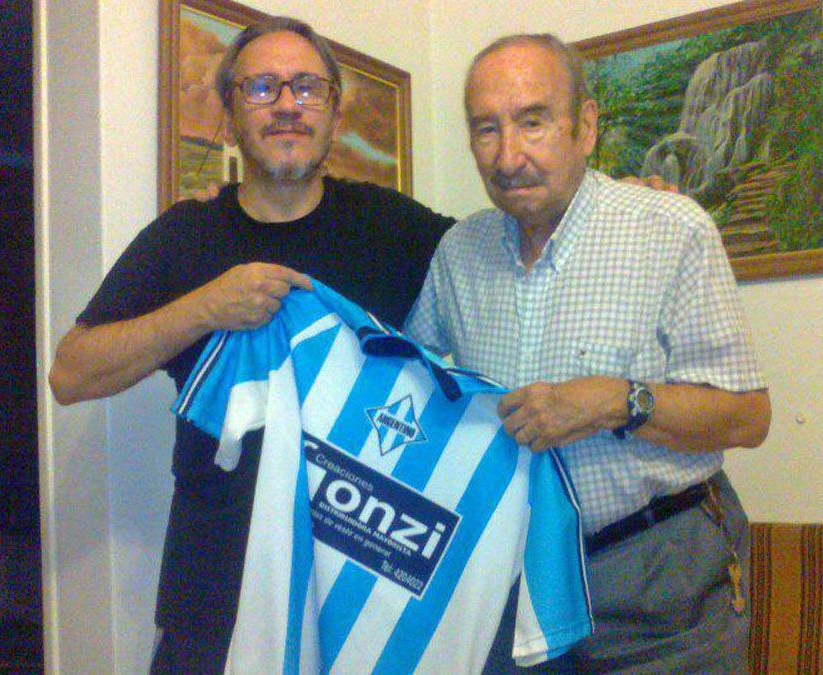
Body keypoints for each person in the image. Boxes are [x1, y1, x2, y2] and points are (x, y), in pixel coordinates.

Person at [47, 16, 453, 672]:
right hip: (213, 599)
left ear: (334, 111)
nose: (287, 104)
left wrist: (614, 204)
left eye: (306, 88)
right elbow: (70, 372)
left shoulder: (391, 225)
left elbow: (501, 256)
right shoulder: (185, 234)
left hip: (357, 592)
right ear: (230, 110)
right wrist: (204, 306)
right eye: (262, 87)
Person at [404, 34, 772, 673]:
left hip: (657, 580)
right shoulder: (459, 254)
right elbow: (420, 400)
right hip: (505, 582)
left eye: (533, 122)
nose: (509, 155)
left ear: (587, 126)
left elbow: (748, 417)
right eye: (485, 130)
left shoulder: (671, 229)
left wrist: (614, 402)